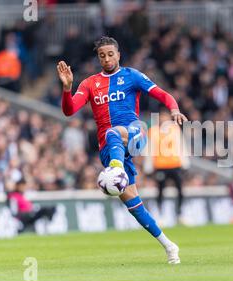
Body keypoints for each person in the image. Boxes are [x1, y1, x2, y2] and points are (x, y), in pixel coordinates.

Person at [57, 36, 187, 264]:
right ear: (98, 58)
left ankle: (116, 169)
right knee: (133, 205)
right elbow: (69, 111)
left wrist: (174, 109)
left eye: (110, 54)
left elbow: (163, 94)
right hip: (109, 150)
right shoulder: (89, 84)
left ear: (118, 55)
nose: (106, 59)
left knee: (113, 132)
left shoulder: (132, 76)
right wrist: (67, 88)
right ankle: (169, 246)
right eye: (102, 55)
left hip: (134, 133)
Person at [144, 110, 189, 225]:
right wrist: (148, 166)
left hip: (175, 164)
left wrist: (185, 161)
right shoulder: (153, 131)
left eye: (165, 117)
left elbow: (181, 145)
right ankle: (160, 215)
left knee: (180, 190)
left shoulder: (175, 129)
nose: (163, 119)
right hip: (160, 165)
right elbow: (149, 149)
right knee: (160, 191)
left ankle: (180, 214)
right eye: (162, 117)